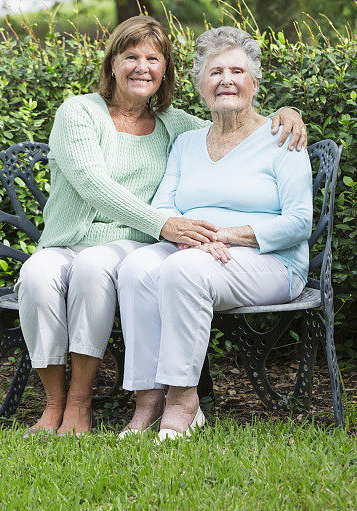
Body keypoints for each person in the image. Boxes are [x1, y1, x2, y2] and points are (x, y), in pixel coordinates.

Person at [15, 16, 307, 436]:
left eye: (153, 58)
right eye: (130, 56)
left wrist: (288, 110)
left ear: (165, 71)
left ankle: (91, 403)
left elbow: (239, 121)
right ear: (111, 64)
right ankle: (58, 404)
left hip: (140, 245)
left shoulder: (178, 124)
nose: (141, 67)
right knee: (37, 276)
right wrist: (171, 226)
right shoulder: (83, 112)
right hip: (79, 240)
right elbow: (97, 184)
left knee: (98, 267)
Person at [117, 26, 312, 440]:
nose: (227, 79)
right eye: (215, 71)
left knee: (184, 271)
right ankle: (147, 399)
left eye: (237, 71)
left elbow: (299, 221)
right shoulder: (187, 142)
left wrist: (228, 235)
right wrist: (186, 234)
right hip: (197, 249)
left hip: (268, 260)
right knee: (135, 267)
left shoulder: (283, 136)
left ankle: (184, 403)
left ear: (255, 83)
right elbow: (165, 206)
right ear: (199, 85)